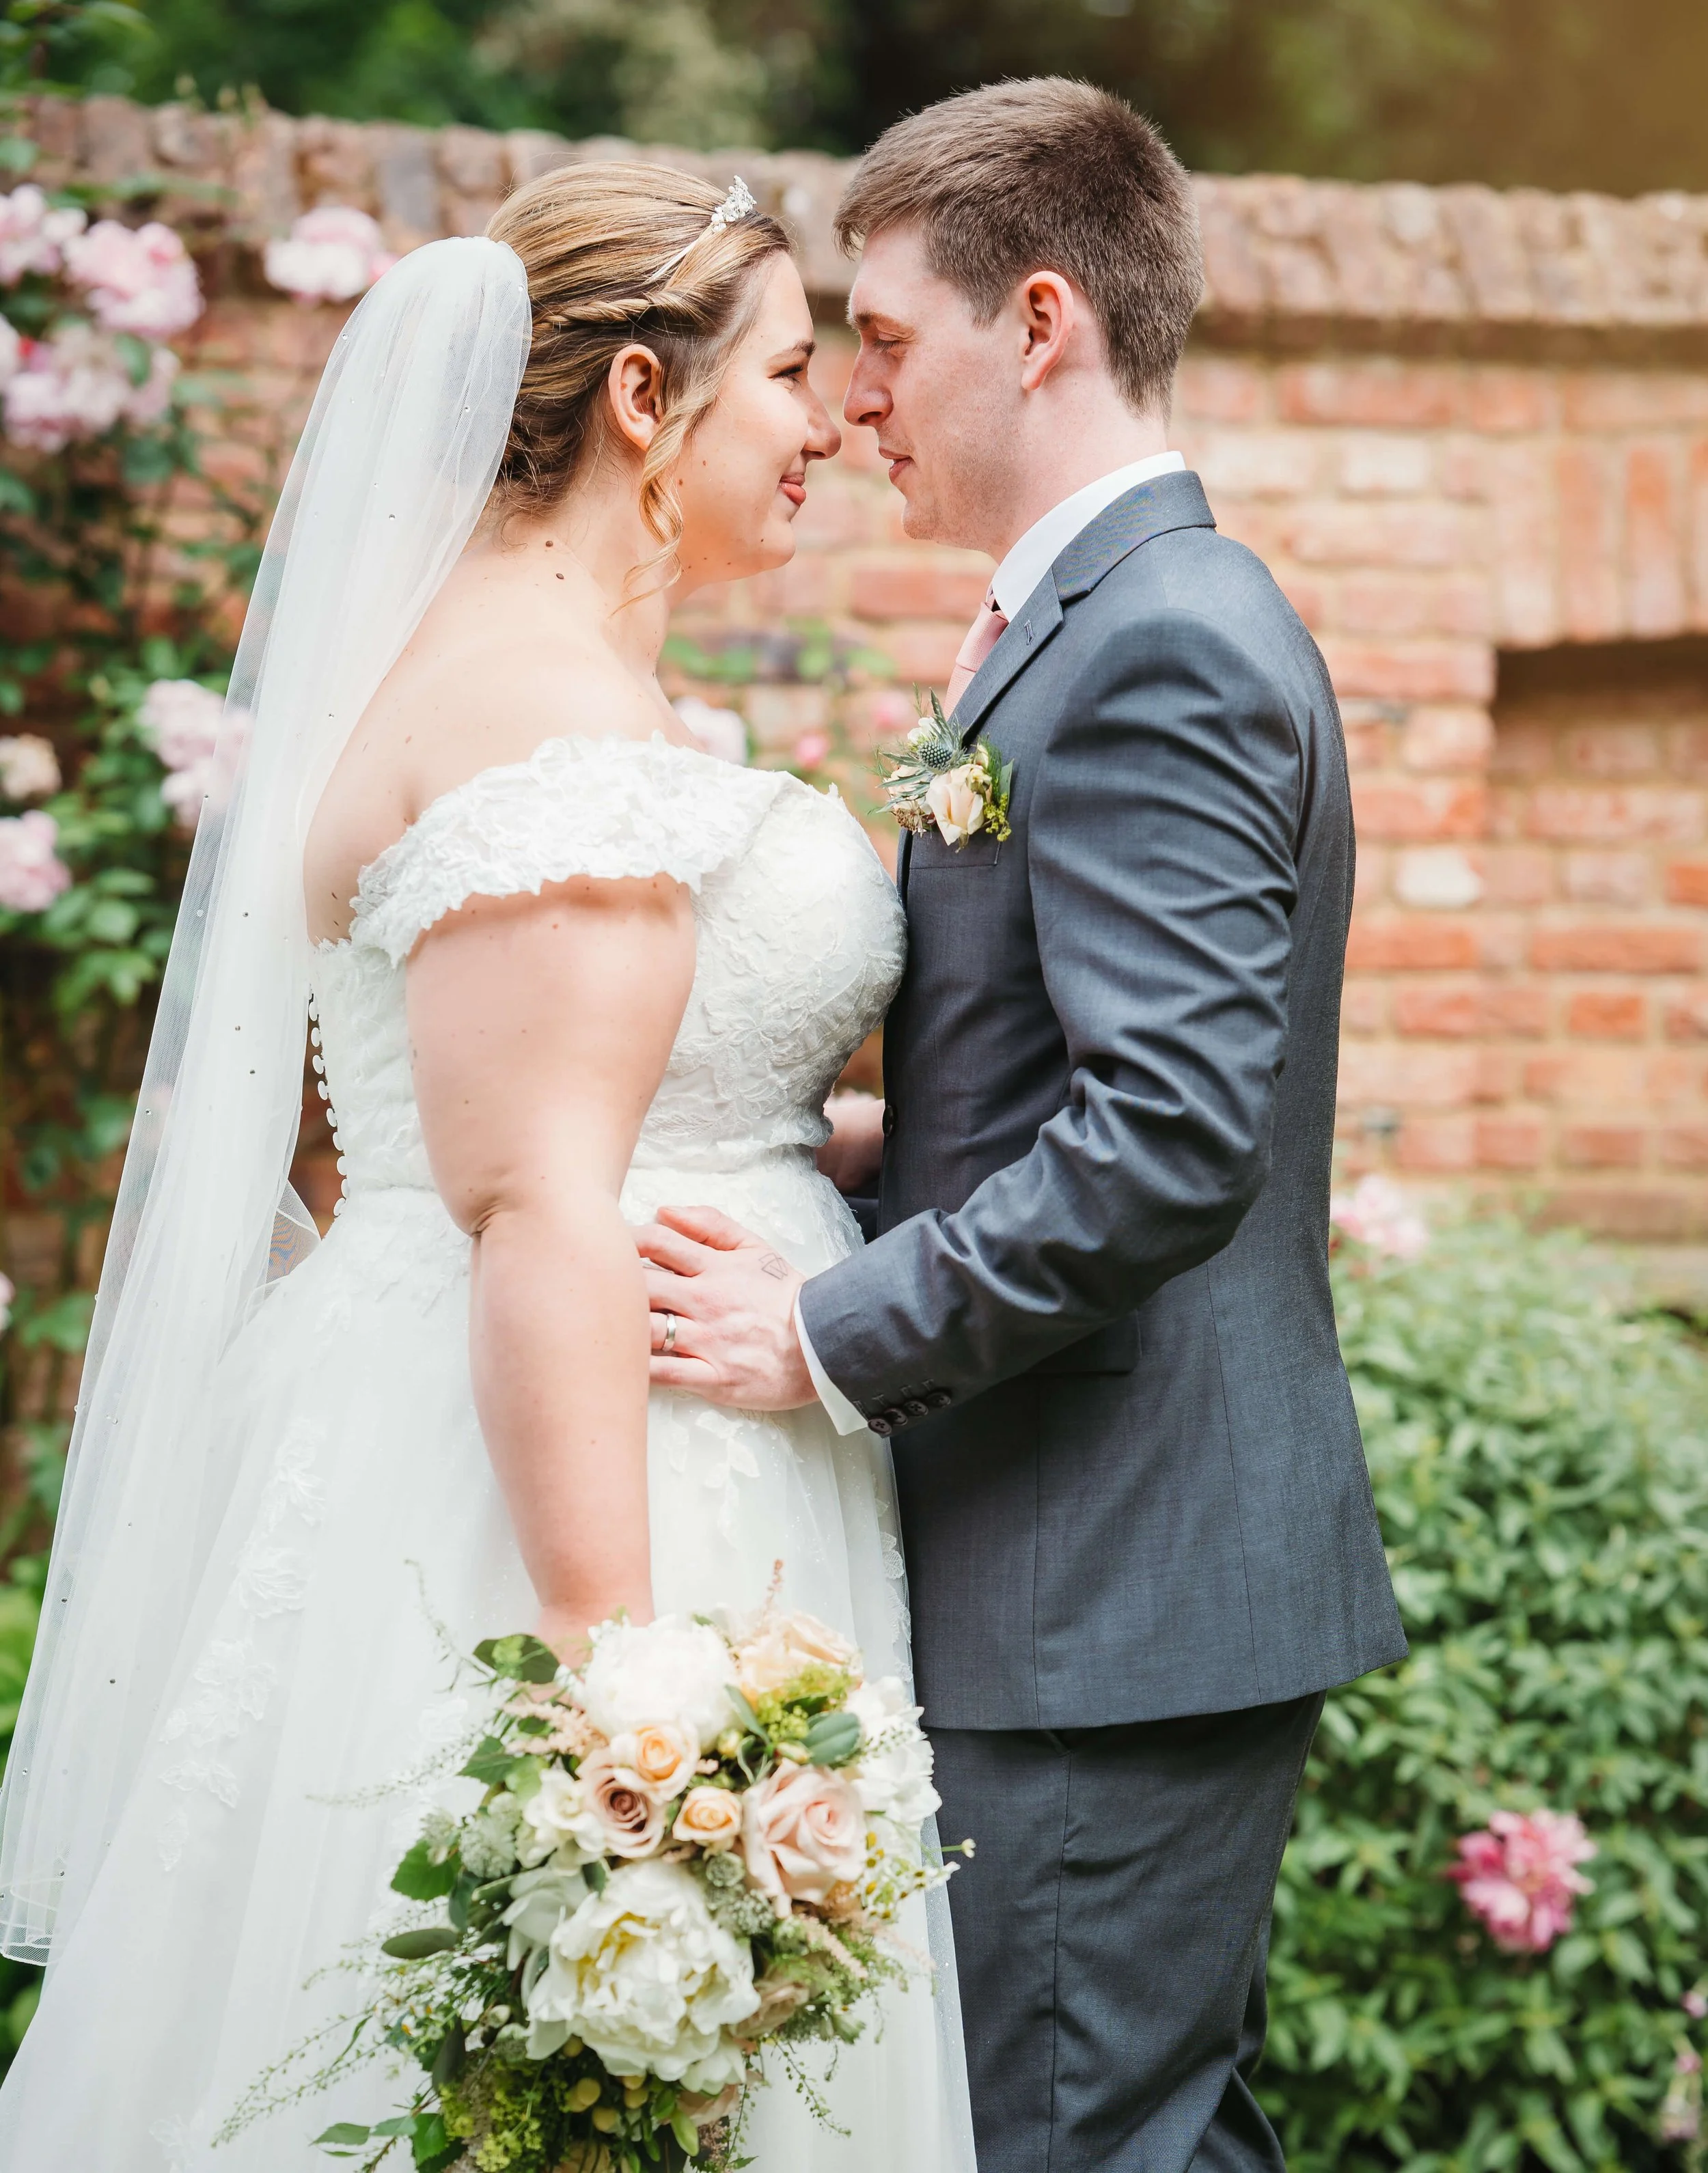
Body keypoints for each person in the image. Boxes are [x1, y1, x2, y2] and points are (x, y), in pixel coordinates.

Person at [0, 165, 974, 2168]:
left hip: (463, 1424)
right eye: (791, 373)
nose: (827, 424)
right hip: (588, 1483)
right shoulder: (548, 717)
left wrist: (840, 1145)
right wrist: (632, 1724)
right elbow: (534, 1197)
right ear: (642, 399)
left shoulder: (480, 675)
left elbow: (580, 1107)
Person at [637, 79, 1409, 2173]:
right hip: (1086, 1572)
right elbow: (1084, 1080)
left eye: (883, 338)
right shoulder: (1083, 626)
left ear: (1038, 320)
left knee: (1063, 2140)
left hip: (1112, 1595)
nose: (856, 398)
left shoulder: (1155, 639)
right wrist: (853, 1149)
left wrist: (821, 1332)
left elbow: (1170, 1139)